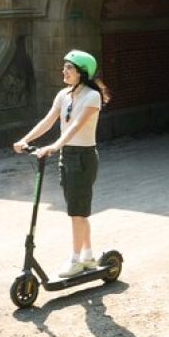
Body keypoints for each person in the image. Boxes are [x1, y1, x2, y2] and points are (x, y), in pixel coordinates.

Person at [13, 49, 108, 278]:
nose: (64, 71)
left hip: (83, 157)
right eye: (64, 66)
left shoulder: (91, 97)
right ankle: (88, 256)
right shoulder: (64, 95)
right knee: (78, 211)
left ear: (82, 73)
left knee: (77, 211)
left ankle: (76, 260)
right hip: (68, 155)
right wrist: (26, 139)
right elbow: (48, 120)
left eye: (69, 68)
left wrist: (54, 146)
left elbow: (76, 126)